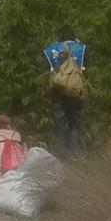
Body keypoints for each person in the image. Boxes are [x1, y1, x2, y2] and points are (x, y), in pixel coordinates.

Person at [43, 27, 87, 157]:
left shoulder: (51, 48)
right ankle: (75, 154)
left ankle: (61, 155)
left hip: (57, 90)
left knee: (59, 123)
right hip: (75, 90)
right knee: (75, 123)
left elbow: (44, 68)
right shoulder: (82, 48)